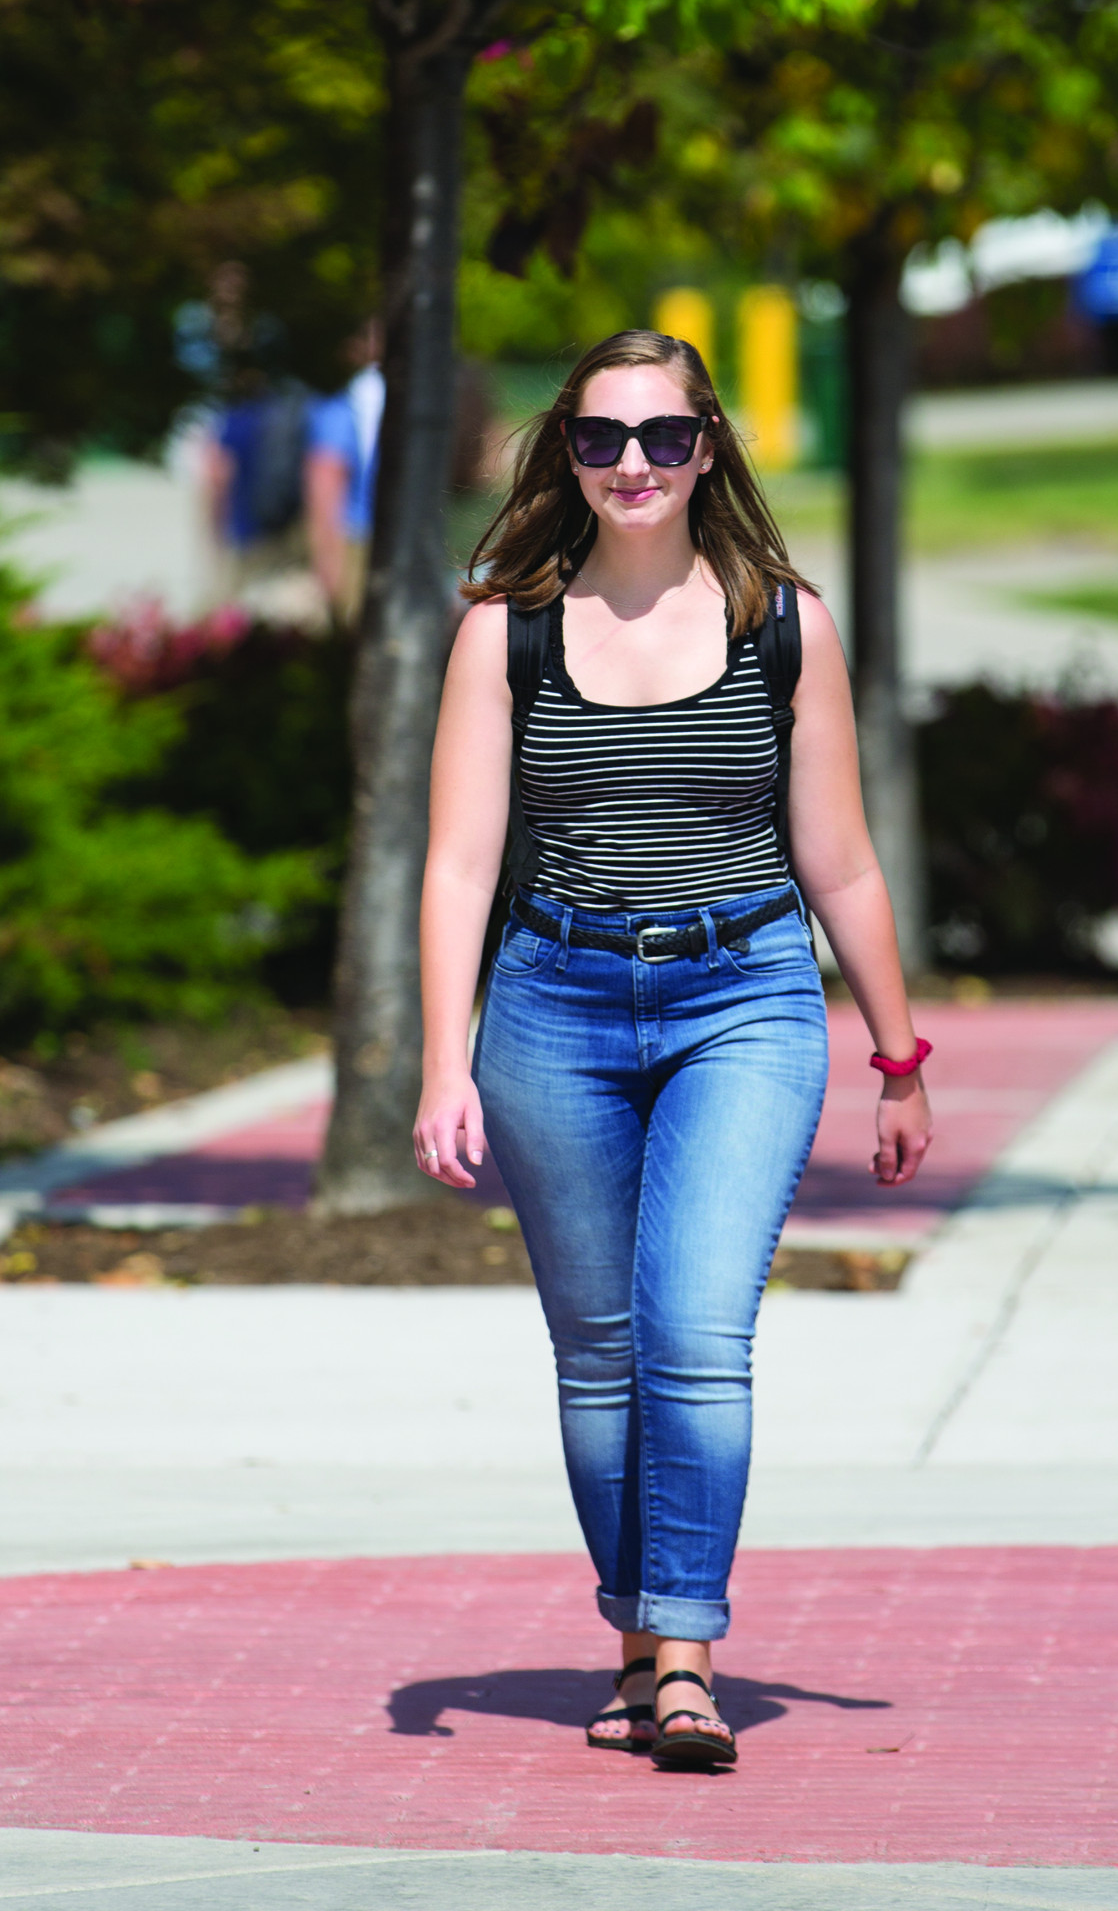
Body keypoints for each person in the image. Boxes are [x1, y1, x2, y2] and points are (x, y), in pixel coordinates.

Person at [414, 330, 933, 1770]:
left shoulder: (783, 624)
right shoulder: (504, 631)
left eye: (661, 436)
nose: (632, 463)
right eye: (600, 438)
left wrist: (898, 1060)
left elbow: (842, 861)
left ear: (707, 447)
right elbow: (457, 864)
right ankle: (639, 1640)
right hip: (553, 1006)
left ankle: (687, 1656)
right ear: (566, 455)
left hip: (743, 996)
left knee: (695, 1334)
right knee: (599, 1355)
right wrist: (443, 1062)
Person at [304, 320, 384, 618]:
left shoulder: (342, 406)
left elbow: (325, 490)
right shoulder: (435, 397)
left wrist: (326, 562)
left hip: (357, 539)